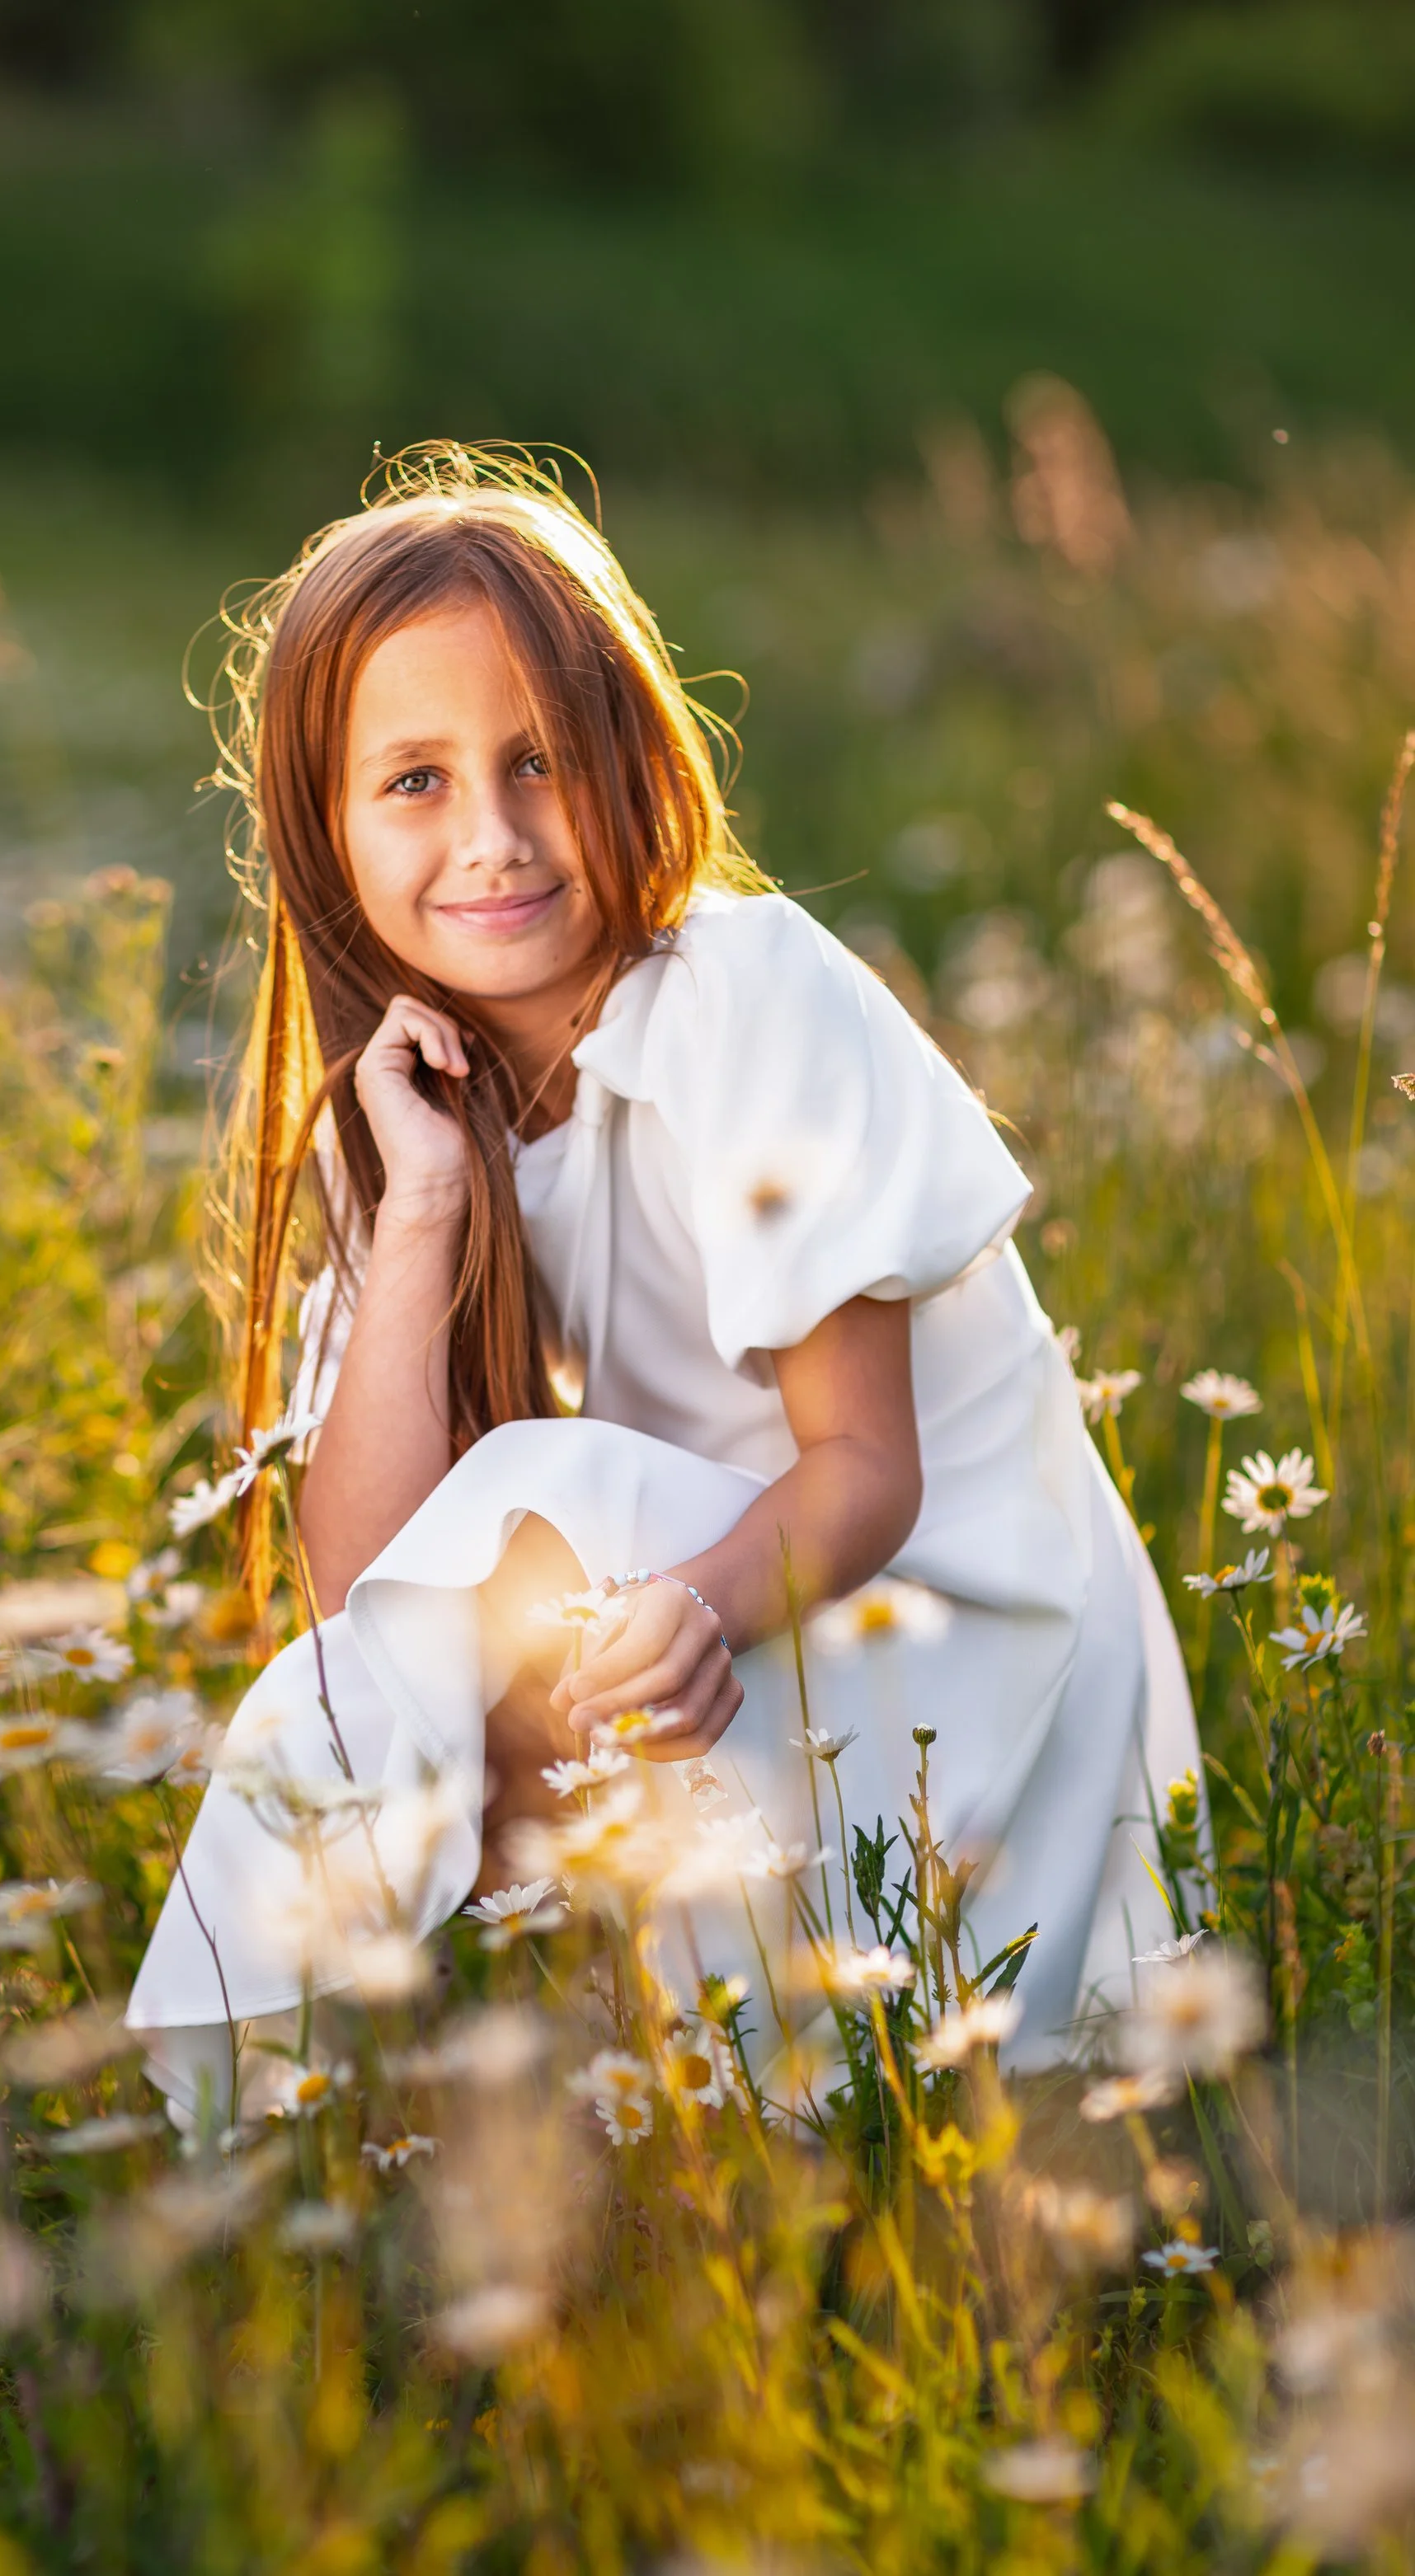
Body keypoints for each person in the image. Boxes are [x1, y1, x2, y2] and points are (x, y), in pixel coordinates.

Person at [125, 443, 1198, 2117]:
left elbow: (863, 1469)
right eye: (411, 780)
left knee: (540, 1497)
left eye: (538, 760)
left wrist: (685, 1601)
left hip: (952, 1642)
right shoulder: (409, 1104)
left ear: (630, 756)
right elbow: (359, 1595)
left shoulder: (743, 992)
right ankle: (280, 2147)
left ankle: (297, 2126)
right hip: (722, 1610)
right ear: (321, 832)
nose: (489, 836)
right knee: (454, 1604)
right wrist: (415, 1214)